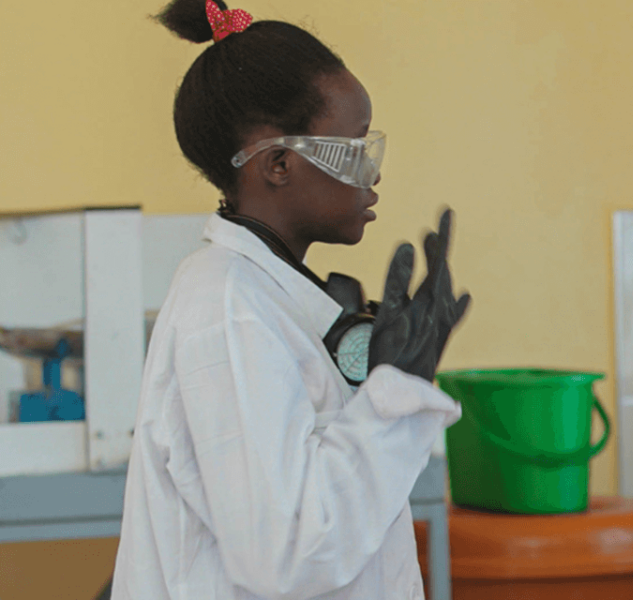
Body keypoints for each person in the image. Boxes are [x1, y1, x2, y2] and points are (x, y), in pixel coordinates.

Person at [113, 1, 471, 598]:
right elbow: (287, 554)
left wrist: (385, 382)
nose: (373, 174)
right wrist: (393, 401)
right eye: (356, 149)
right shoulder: (226, 308)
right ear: (279, 163)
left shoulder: (266, 295)